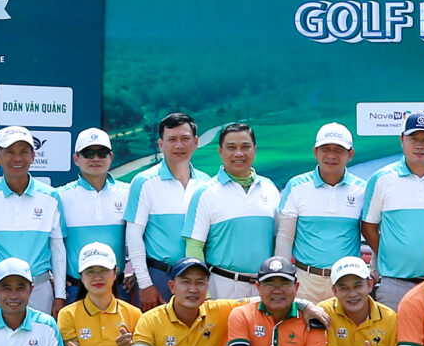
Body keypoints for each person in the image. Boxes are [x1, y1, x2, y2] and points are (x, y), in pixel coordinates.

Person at [361, 111, 424, 307]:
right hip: (394, 283)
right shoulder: (382, 178)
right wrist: (388, 255)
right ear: (402, 140)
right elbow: (368, 226)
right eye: (413, 139)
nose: (420, 145)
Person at [182, 120, 281, 302]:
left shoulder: (269, 188)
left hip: (264, 288)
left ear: (255, 149)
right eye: (231, 148)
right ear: (220, 151)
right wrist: (206, 296)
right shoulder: (206, 193)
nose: (238, 153)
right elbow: (194, 247)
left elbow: (278, 241)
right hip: (222, 287)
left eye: (245, 147)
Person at [275, 122, 369, 305]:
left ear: (350, 154)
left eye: (339, 150)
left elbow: (372, 233)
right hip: (305, 280)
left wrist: (372, 270)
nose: (331, 155)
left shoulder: (362, 190)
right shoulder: (296, 186)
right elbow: (285, 237)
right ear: (315, 152)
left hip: (346, 282)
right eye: (325, 149)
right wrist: (283, 278)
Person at [0, 126, 65, 311]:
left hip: (39, 289)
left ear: (33, 157)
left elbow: (57, 250)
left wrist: (60, 295)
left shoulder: (51, 197)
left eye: (24, 152)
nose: (17, 158)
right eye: (10, 152)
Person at [123, 112, 203, 308]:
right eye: (172, 139)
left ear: (195, 142)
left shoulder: (206, 184)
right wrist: (145, 283)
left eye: (185, 139)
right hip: (159, 276)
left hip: (197, 278)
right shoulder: (144, 182)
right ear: (161, 144)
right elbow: (133, 235)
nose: (179, 145)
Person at [55, 129, 129, 304]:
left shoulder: (128, 192)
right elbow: (54, 245)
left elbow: (140, 238)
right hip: (75, 288)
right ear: (76, 159)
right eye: (88, 154)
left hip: (118, 288)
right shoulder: (60, 196)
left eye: (102, 153)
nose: (96, 159)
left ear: (111, 157)